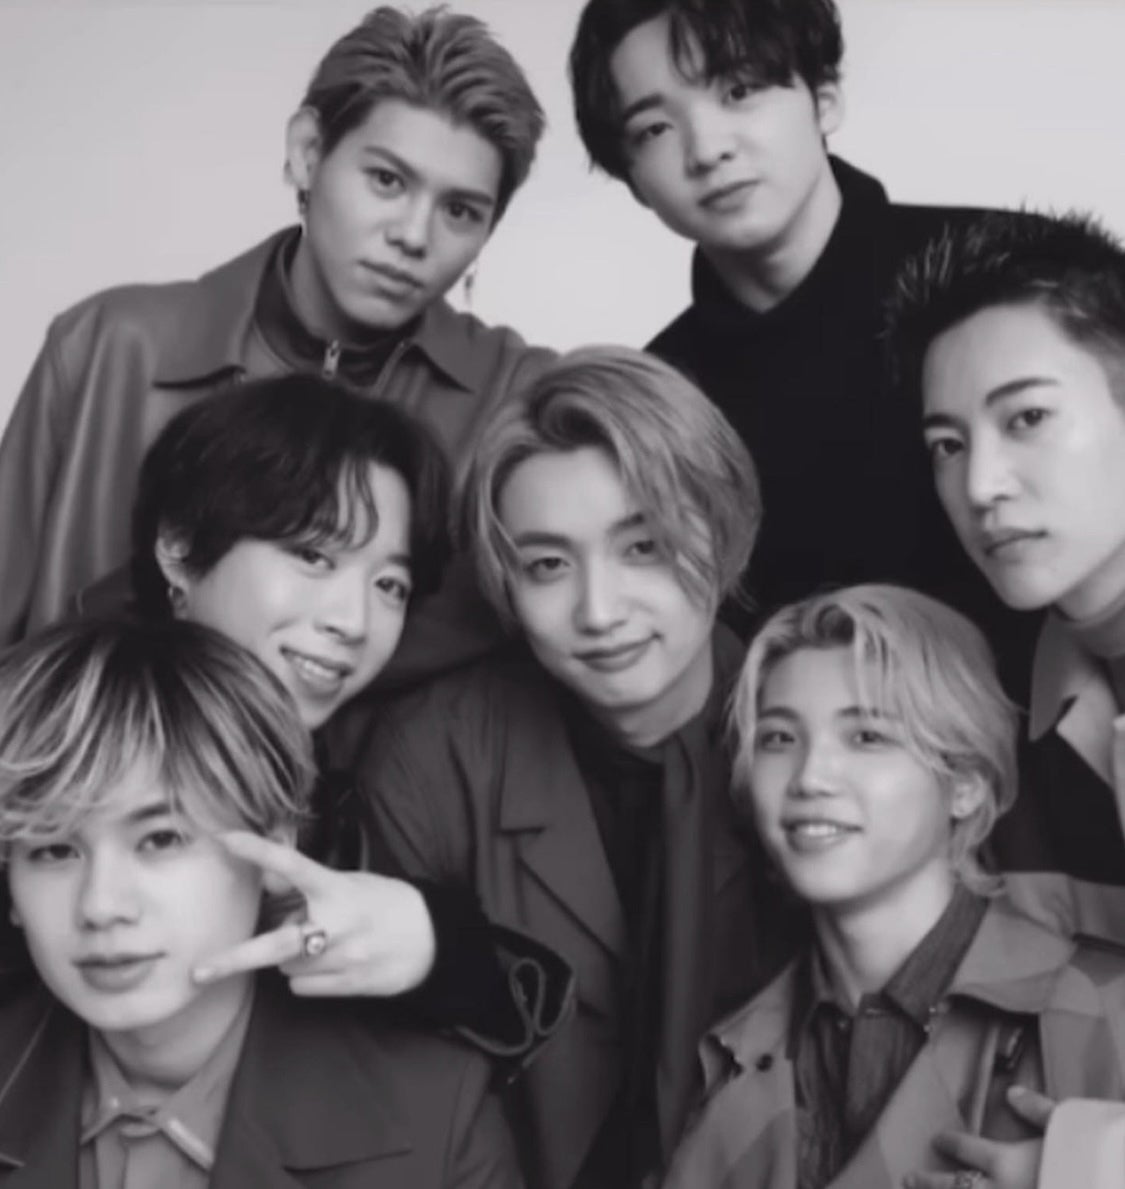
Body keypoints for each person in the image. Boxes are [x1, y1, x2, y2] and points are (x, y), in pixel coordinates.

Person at [360, 346, 801, 1189]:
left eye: (643, 546)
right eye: (548, 565)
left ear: (723, 530)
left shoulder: (818, 735)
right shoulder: (433, 756)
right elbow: (392, 1090)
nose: (598, 612)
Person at [0, 4, 550, 659]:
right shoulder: (107, 347)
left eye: (459, 210)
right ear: (308, 152)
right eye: (386, 180)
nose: (412, 235)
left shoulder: (517, 396)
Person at [112, 371, 570, 1055]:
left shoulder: (347, 792)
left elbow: (515, 1013)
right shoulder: (52, 738)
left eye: (389, 584)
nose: (353, 621)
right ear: (179, 545)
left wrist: (430, 942)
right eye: (313, 554)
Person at [0, 616, 523, 1188]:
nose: (101, 906)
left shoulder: (435, 1117)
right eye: (52, 850)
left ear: (275, 844)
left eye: (161, 839)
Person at [567, 0, 1005, 643]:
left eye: (739, 90)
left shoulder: (1013, 272)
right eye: (655, 128)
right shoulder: (657, 405)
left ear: (824, 98)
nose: (707, 149)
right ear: (633, 179)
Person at [663, 584, 1125, 1189]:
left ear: (966, 783)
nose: (810, 777)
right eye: (779, 738)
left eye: (867, 737)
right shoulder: (723, 1056)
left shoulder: (1108, 1013)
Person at [887, 208, 1125, 1189]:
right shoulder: (1003, 716)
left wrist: (1088, 1163)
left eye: (1026, 417)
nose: (980, 484)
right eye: (947, 443)